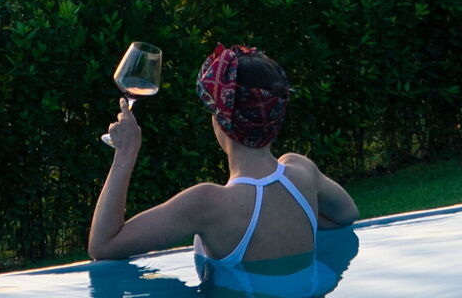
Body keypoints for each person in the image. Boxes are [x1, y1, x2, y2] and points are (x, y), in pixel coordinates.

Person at [89, 44, 357, 295]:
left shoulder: (208, 204)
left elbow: (103, 246)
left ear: (221, 122)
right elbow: (347, 214)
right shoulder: (302, 172)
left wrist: (125, 153)